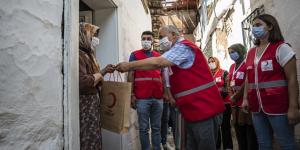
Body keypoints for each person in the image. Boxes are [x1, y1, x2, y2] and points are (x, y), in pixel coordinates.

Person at [116, 25, 225, 150]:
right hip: (193, 109)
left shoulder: (183, 47)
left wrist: (129, 65)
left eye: (162, 37)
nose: (160, 40)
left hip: (204, 108)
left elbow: (158, 63)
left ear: (173, 35)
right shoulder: (173, 51)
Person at [242, 14, 300, 150]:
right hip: (256, 107)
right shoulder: (250, 52)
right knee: (263, 144)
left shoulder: (281, 48)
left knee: (286, 144)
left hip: (279, 106)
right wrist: (245, 99)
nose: (254, 29)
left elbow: (292, 79)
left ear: (270, 26)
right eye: (253, 26)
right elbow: (248, 79)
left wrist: (293, 107)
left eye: (258, 25)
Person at [79, 23, 115, 150]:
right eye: (93, 35)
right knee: (88, 136)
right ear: (84, 35)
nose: (95, 39)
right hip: (85, 104)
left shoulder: (88, 54)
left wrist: (104, 71)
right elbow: (83, 82)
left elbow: (94, 76)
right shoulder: (79, 55)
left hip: (92, 102)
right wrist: (100, 74)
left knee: (93, 134)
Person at [127, 31, 164, 150]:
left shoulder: (158, 57)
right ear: (141, 40)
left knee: (157, 128)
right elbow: (131, 75)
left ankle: (157, 148)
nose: (146, 40)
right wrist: (131, 94)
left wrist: (166, 94)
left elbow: (163, 76)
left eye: (148, 38)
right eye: (144, 38)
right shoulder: (135, 55)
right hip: (142, 97)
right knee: (143, 128)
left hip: (158, 97)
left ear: (153, 41)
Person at [227, 43, 258, 150]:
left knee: (248, 130)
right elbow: (229, 82)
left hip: (245, 101)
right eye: (230, 53)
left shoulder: (246, 64)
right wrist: (231, 96)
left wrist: (236, 96)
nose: (231, 54)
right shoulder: (231, 67)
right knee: (238, 130)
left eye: (233, 52)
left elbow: (247, 82)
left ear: (240, 51)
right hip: (234, 103)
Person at [208, 57, 233, 150]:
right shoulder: (207, 74)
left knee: (225, 126)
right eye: (209, 62)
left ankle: (228, 147)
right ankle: (217, 146)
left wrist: (217, 98)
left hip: (224, 104)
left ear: (217, 61)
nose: (211, 63)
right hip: (212, 105)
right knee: (215, 128)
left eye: (213, 61)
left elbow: (227, 88)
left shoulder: (224, 72)